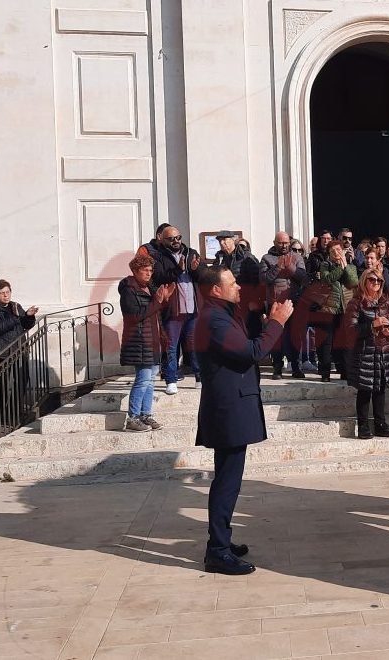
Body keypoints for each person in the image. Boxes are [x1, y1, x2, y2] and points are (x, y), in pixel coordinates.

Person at [196, 266, 293, 574]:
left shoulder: (223, 315)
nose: (238, 286)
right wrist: (277, 323)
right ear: (215, 289)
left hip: (231, 406)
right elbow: (252, 352)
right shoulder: (214, 319)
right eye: (232, 282)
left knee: (230, 479)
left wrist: (265, 323)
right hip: (227, 410)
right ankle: (218, 550)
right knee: (227, 482)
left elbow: (247, 345)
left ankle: (221, 540)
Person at [118, 254, 174, 432]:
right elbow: (136, 316)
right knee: (142, 380)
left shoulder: (149, 287)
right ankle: (132, 418)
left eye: (151, 270)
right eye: (145, 270)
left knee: (150, 381)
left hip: (153, 339)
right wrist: (158, 301)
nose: (149, 274)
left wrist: (163, 300)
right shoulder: (129, 289)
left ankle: (146, 415)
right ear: (135, 271)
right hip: (139, 340)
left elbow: (153, 313)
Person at [345, 268, 389, 439]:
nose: (376, 283)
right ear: (364, 281)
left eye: (379, 281)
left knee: (380, 388)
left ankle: (380, 423)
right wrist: (373, 325)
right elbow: (350, 330)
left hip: (383, 351)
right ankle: (362, 425)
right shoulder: (356, 302)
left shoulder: (385, 301)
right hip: (364, 352)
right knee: (365, 388)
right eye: (372, 280)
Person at [149, 225, 203, 394]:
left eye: (178, 237)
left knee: (194, 345)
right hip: (173, 310)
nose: (176, 241)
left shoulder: (191, 253)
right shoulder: (157, 257)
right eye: (171, 239)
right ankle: (171, 380)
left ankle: (200, 377)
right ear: (163, 240)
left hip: (192, 308)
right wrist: (178, 269)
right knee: (171, 346)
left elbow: (203, 276)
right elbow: (158, 278)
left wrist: (196, 270)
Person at [260, 231, 309, 379]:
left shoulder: (297, 257)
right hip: (275, 305)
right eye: (281, 243)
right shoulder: (267, 258)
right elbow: (263, 279)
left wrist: (291, 269)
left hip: (293, 303)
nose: (284, 245)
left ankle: (296, 367)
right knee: (276, 337)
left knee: (295, 337)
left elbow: (303, 278)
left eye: (286, 242)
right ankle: (277, 368)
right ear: (275, 242)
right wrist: (278, 268)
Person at [314, 240, 359, 382]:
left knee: (345, 342)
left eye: (338, 250)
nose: (336, 253)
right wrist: (340, 268)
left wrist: (345, 267)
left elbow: (353, 283)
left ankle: (345, 371)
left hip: (346, 308)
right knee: (327, 342)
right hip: (329, 308)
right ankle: (325, 372)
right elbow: (327, 280)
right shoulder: (325, 265)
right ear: (329, 254)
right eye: (333, 251)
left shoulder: (351, 266)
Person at [0, 279, 38, 357]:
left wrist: (28, 316)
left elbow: (27, 325)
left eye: (8, 292)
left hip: (21, 350)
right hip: (3, 354)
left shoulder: (15, 306)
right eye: (2, 293)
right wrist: (15, 317)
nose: (6, 295)